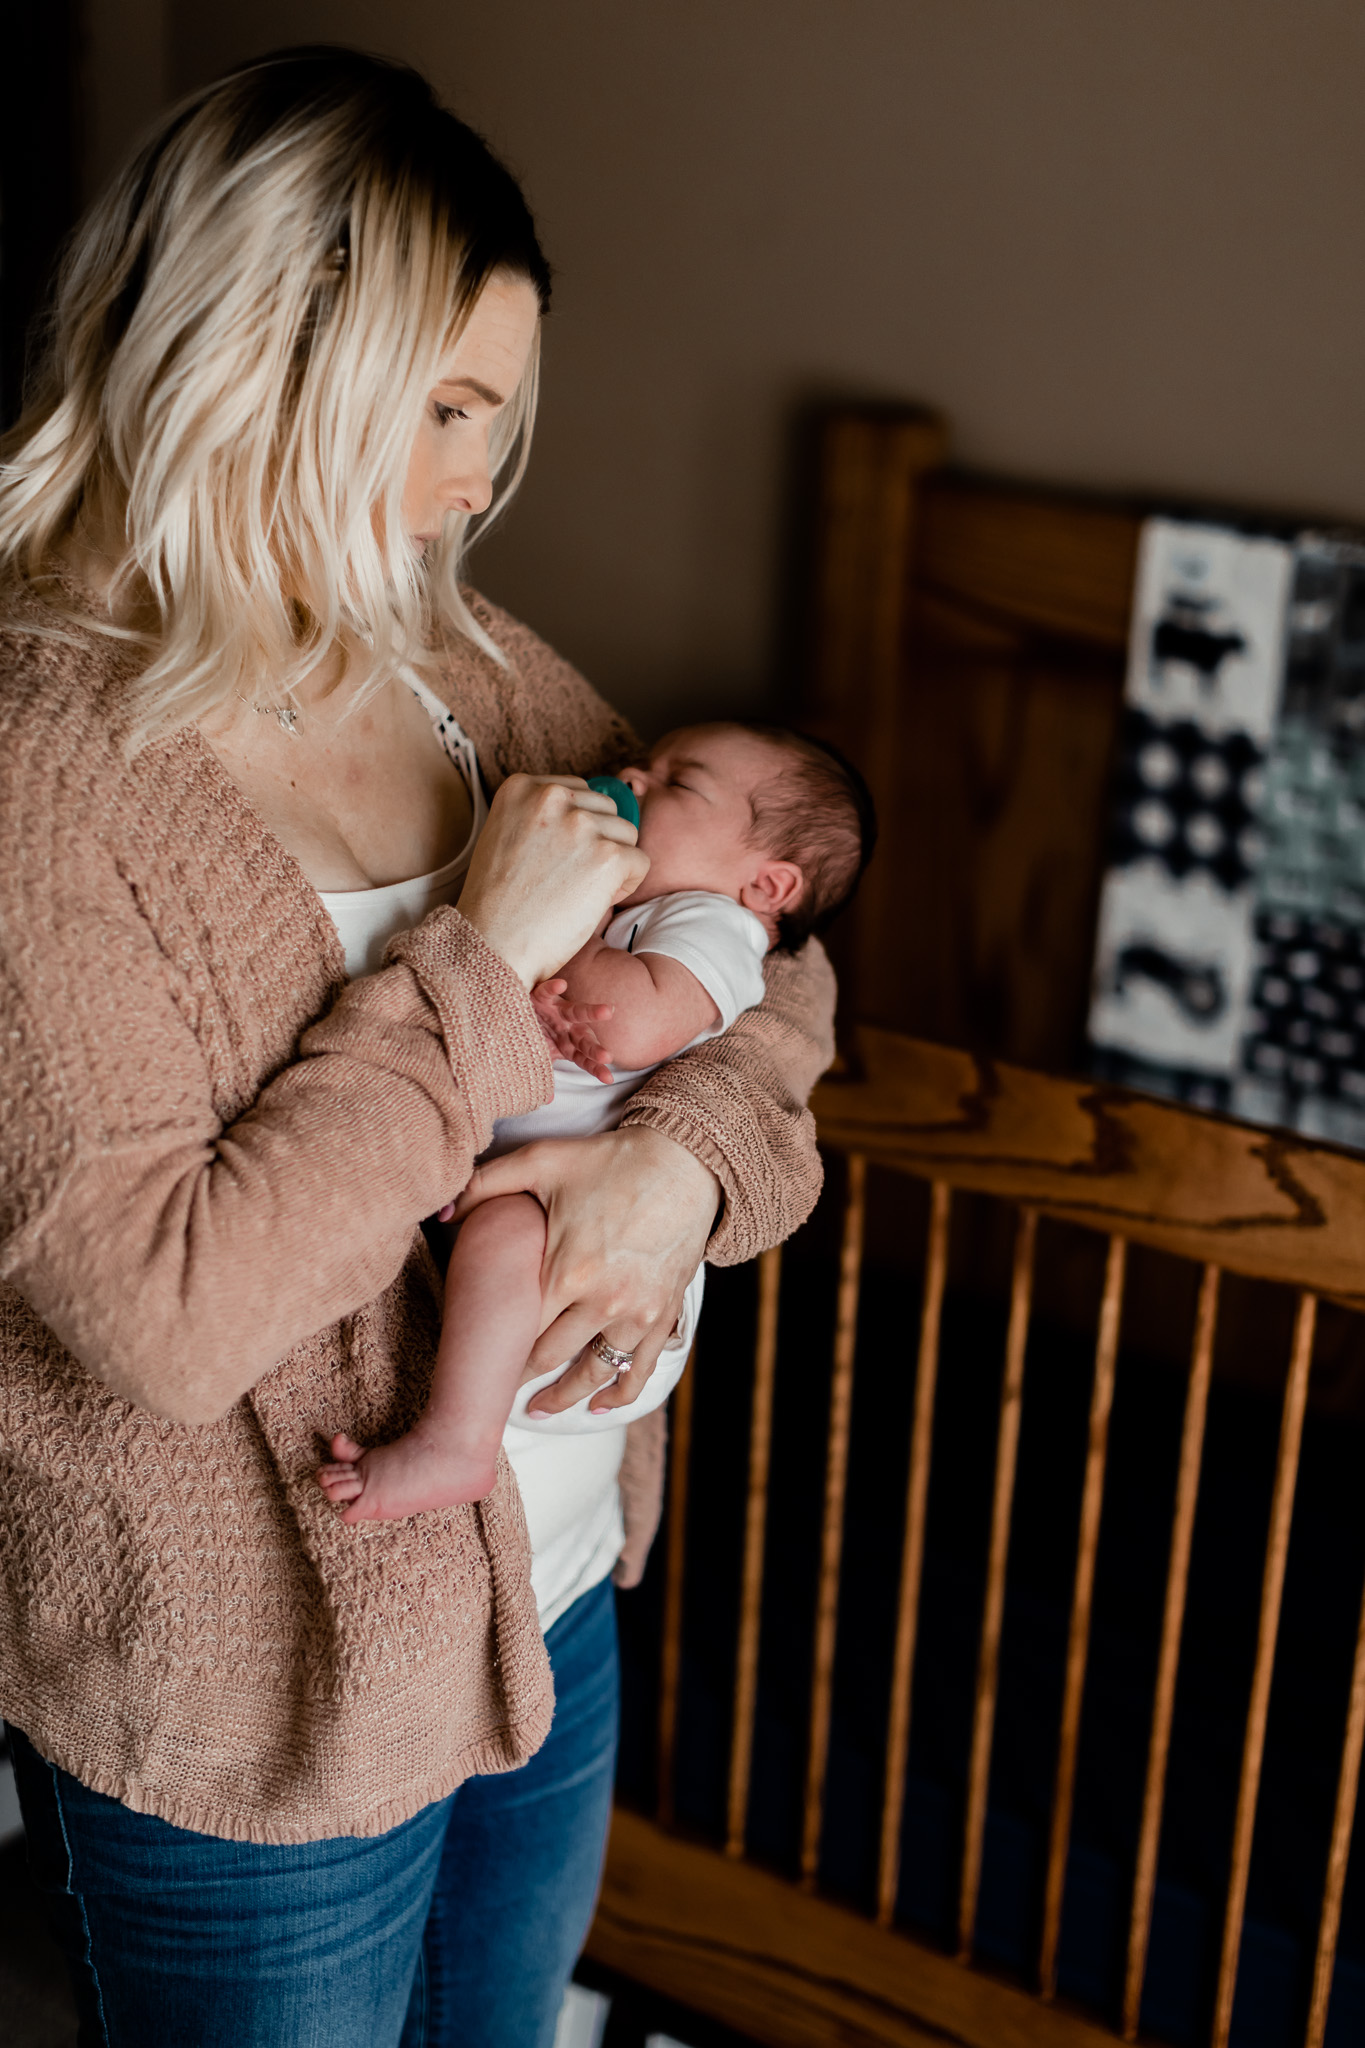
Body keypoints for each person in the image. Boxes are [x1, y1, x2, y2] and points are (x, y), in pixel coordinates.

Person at [0, 47, 836, 2048]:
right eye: (447, 409)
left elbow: (773, 963)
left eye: (498, 421)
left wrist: (677, 1164)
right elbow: (172, 1314)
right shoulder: (45, 775)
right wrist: (476, 963)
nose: (476, 484)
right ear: (247, 355)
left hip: (546, 1598)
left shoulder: (458, 665)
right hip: (258, 1699)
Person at [318, 719, 873, 1522]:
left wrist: (554, 915)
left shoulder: (717, 927)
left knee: (502, 1232)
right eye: (644, 767)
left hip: (577, 1260)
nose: (632, 779)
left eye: (678, 783)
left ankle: (456, 1444)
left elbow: (635, 1024)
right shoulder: (654, 912)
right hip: (539, 1202)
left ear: (768, 887)